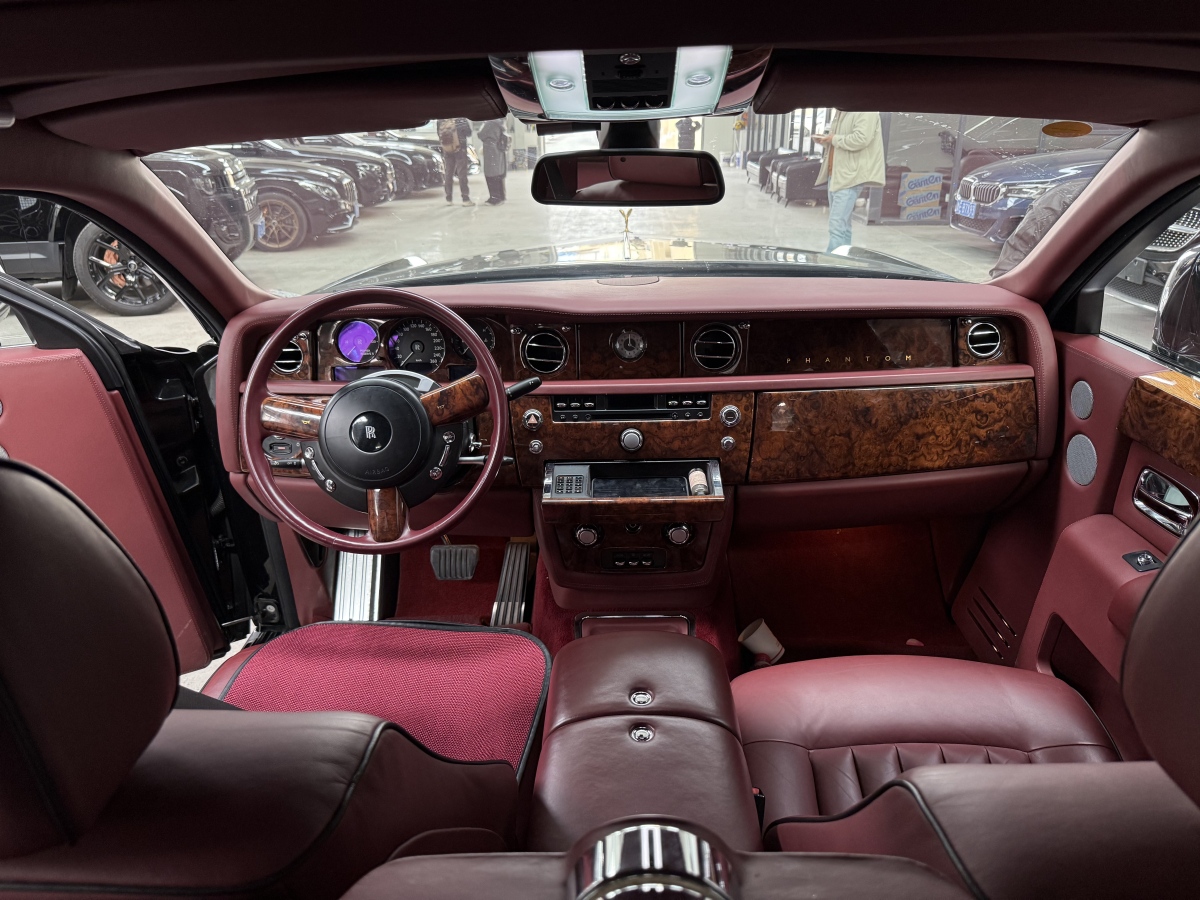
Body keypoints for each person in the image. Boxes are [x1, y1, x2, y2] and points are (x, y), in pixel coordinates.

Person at [813, 111, 886, 253]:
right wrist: (826, 140)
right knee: (843, 225)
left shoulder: (866, 111)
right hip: (836, 174)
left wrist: (834, 139)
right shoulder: (842, 111)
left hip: (850, 176)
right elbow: (839, 141)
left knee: (837, 225)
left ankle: (832, 262)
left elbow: (861, 139)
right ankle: (843, 260)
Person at [438, 117, 474, 206]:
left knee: (448, 173)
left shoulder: (441, 120)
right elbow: (468, 133)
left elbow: (439, 135)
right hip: (460, 149)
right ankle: (465, 199)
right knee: (462, 174)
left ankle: (449, 199)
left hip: (447, 150)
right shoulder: (461, 119)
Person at [478, 118, 509, 205]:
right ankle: (502, 197)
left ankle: (495, 199)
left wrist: (482, 125)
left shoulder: (489, 122)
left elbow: (480, 134)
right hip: (499, 150)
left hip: (490, 150)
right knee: (499, 175)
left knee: (490, 175)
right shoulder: (500, 122)